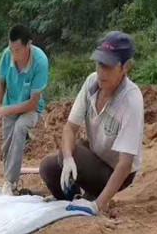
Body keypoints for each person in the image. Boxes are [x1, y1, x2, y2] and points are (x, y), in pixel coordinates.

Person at [39, 31, 143, 215]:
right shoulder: (91, 83)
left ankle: (94, 199)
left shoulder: (131, 100)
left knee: (76, 152)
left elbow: (125, 164)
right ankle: (73, 197)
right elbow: (70, 128)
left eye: (109, 66)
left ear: (125, 67)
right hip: (95, 155)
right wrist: (68, 158)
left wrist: (99, 205)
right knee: (48, 167)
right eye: (99, 64)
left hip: (116, 171)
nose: (102, 72)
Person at [0, 24, 49, 195]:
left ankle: (10, 181)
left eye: (18, 50)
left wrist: (6, 110)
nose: (14, 54)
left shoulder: (40, 61)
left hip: (31, 110)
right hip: (10, 105)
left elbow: (33, 103)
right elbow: (1, 82)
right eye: (11, 49)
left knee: (20, 127)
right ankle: (9, 183)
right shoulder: (7, 55)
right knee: (7, 140)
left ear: (28, 45)